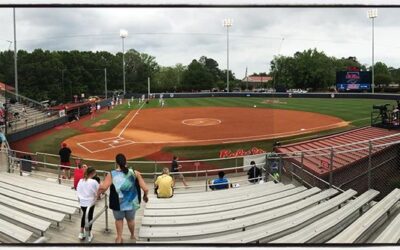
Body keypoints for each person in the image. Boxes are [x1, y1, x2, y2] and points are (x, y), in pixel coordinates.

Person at [98, 153, 149, 243]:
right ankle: (132, 235)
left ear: (116, 162)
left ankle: (119, 237)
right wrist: (145, 196)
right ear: (126, 162)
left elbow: (103, 187)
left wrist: (98, 194)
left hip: (117, 203)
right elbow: (145, 188)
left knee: (118, 219)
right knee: (130, 220)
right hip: (131, 202)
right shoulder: (135, 172)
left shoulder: (111, 174)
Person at [76, 167, 99, 242]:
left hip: (82, 203)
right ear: (92, 173)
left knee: (84, 216)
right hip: (90, 203)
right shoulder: (94, 182)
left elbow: (78, 191)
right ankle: (88, 234)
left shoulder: (81, 181)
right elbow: (98, 191)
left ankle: (81, 232)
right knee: (89, 217)